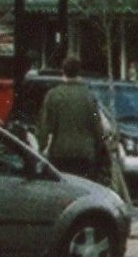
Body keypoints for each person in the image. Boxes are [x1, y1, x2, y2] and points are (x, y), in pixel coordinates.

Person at [35, 60, 126, 201]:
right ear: (79, 72)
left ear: (63, 72)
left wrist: (40, 148)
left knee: (63, 190)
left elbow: (45, 126)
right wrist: (103, 148)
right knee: (83, 191)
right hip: (85, 153)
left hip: (60, 152)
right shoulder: (89, 96)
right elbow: (97, 125)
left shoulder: (53, 95)